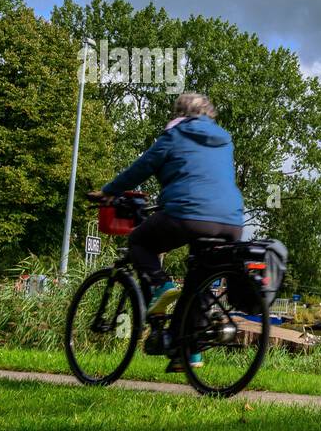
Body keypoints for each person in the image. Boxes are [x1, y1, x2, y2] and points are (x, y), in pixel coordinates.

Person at [89, 92, 245, 372]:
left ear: (181, 113)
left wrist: (109, 191)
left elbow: (143, 167)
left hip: (189, 214)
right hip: (231, 221)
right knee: (200, 279)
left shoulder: (175, 134)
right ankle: (187, 350)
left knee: (139, 241)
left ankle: (161, 285)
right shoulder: (224, 140)